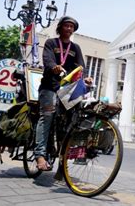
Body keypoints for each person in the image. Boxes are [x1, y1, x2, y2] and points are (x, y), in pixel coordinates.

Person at [34, 16, 93, 171]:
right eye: (66, 26)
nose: (69, 29)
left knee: (68, 122)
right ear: (60, 28)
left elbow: (81, 67)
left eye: (71, 27)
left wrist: (85, 77)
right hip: (50, 87)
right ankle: (39, 156)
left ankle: (62, 160)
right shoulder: (51, 43)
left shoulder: (75, 48)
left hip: (67, 90)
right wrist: (54, 67)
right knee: (47, 115)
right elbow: (48, 60)